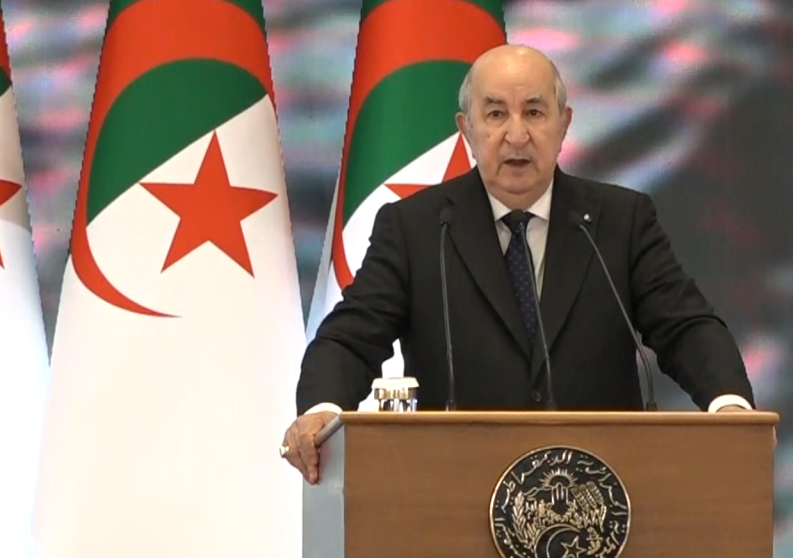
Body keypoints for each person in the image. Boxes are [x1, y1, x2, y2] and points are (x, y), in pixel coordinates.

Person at [281, 44, 757, 483]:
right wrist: (323, 409)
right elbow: (350, 337)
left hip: (604, 494)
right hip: (454, 491)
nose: (516, 134)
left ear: (563, 124)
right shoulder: (416, 228)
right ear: (467, 129)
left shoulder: (621, 221)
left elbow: (685, 326)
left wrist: (729, 405)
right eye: (495, 114)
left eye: (534, 112)